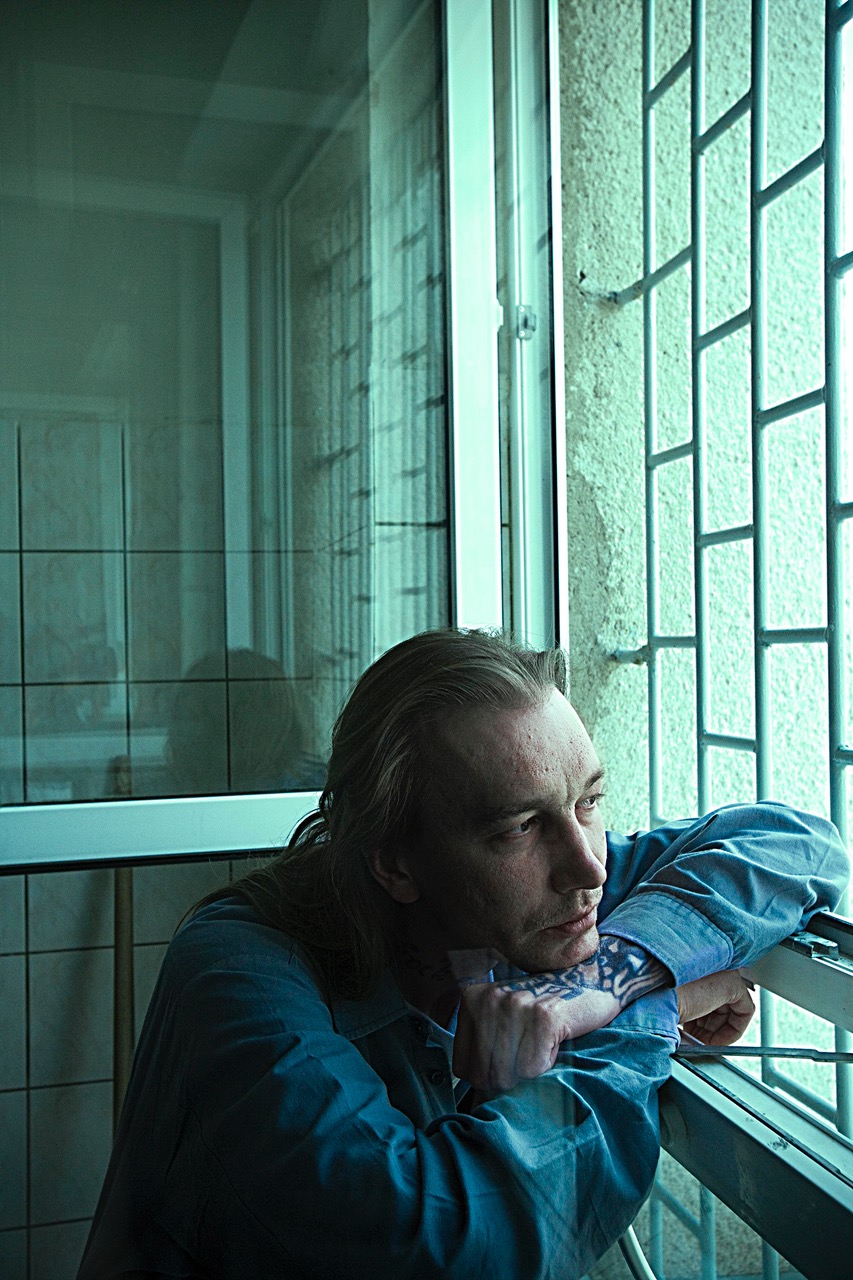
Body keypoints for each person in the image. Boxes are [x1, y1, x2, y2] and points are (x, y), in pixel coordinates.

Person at [77, 630, 848, 1280]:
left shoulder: (535, 895)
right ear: (394, 863)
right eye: (519, 828)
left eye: (587, 800)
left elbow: (799, 845)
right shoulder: (237, 970)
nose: (588, 866)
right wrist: (655, 999)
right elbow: (443, 1247)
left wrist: (604, 979)